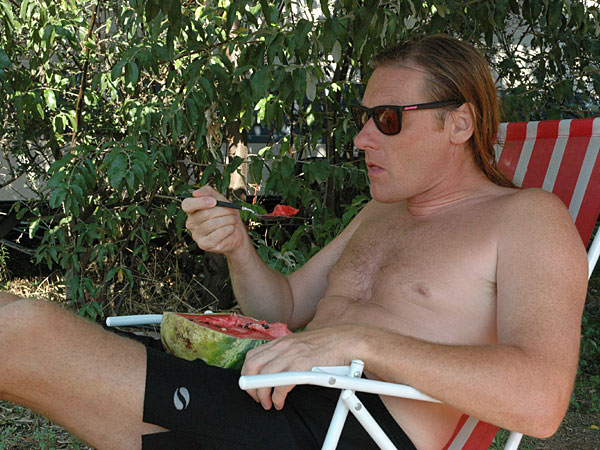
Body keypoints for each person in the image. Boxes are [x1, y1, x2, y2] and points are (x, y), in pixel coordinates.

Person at [0, 34, 588, 450]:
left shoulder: (527, 219)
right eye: (363, 117)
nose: (361, 138)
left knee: (23, 331)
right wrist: (238, 248)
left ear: (459, 123)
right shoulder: (380, 213)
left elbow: (541, 402)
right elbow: (280, 306)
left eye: (388, 119)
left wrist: (356, 341)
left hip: (347, 429)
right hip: (266, 396)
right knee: (17, 329)